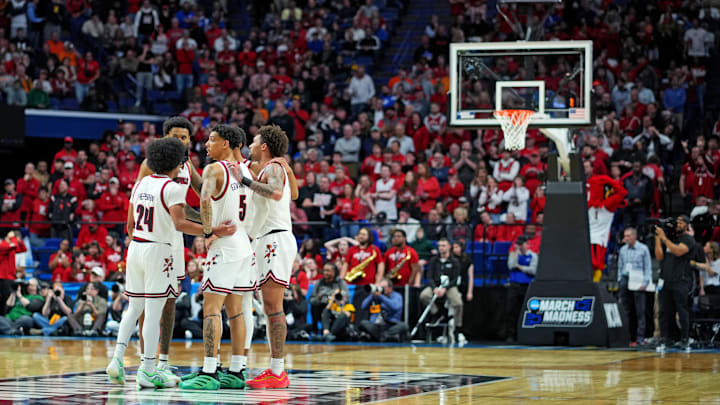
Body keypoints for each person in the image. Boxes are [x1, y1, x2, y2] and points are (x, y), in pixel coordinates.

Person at [105, 137, 234, 389]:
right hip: (158, 251)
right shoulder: (173, 188)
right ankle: (149, 370)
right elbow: (180, 224)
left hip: (136, 247)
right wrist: (212, 230)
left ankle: (117, 358)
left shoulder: (140, 183)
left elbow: (129, 225)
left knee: (133, 308)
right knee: (153, 313)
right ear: (178, 162)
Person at [179, 124, 254, 391]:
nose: (206, 145)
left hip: (224, 246)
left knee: (211, 310)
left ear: (226, 143)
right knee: (236, 313)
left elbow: (205, 200)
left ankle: (209, 371)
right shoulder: (246, 170)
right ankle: (235, 371)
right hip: (244, 244)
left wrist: (209, 231)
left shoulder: (215, 169)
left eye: (212, 140)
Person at [134, 117, 205, 383]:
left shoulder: (187, 165)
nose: (179, 140)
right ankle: (146, 360)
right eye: (175, 136)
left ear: (189, 141)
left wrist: (221, 199)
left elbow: (203, 191)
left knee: (171, 299)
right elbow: (136, 201)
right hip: (152, 237)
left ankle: (163, 360)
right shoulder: (149, 165)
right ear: (165, 139)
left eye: (184, 137)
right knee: (147, 302)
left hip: (176, 237)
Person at [235, 125, 297, 389]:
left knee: (273, 307)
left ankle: (278, 371)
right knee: (263, 305)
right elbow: (293, 193)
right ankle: (263, 367)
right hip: (265, 238)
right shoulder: (271, 167)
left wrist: (246, 181)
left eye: (254, 141)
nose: (250, 145)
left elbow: (278, 193)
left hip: (275, 237)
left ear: (264, 146)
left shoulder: (272, 167)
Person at [654, 215, 695, 347]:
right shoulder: (669, 239)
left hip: (680, 281)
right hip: (665, 280)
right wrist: (657, 238)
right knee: (664, 311)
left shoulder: (688, 239)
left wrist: (664, 238)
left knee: (681, 310)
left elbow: (678, 251)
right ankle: (666, 338)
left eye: (681, 222)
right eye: (677, 222)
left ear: (687, 226)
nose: (678, 224)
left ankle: (684, 338)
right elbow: (659, 256)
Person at [419, 238, 466, 344]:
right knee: (424, 295)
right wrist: (434, 288)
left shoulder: (454, 261)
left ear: (449, 247)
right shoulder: (433, 261)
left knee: (458, 303)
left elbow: (455, 279)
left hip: (449, 287)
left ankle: (457, 329)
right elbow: (429, 277)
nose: (441, 248)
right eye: (439, 245)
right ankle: (437, 313)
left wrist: (446, 288)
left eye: (443, 245)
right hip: (436, 286)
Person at [617, 227, 652, 345]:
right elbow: (620, 266)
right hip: (626, 280)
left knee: (640, 311)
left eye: (628, 236)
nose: (625, 238)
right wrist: (620, 280)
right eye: (625, 236)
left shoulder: (643, 249)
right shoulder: (622, 250)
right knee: (626, 310)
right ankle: (627, 337)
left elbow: (648, 267)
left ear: (634, 236)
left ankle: (640, 338)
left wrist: (645, 283)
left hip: (638, 281)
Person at [342, 227, 385, 323]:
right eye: (360, 234)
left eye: (364, 234)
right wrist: (342, 281)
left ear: (369, 237)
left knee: (364, 311)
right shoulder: (352, 249)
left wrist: (378, 282)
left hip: (367, 286)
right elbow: (345, 265)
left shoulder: (374, 250)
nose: (361, 236)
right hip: (351, 285)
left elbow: (380, 266)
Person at [504, 236, 538, 343]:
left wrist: (521, 267)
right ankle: (510, 334)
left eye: (522, 244)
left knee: (526, 310)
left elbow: (533, 270)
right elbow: (511, 265)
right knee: (511, 310)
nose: (520, 246)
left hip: (527, 286)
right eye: (518, 244)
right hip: (514, 285)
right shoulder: (513, 254)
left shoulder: (533, 256)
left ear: (527, 244)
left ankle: (525, 334)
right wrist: (516, 253)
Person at [308, 263, 349, 333]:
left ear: (334, 272)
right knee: (314, 306)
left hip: (335, 309)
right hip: (322, 307)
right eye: (324, 270)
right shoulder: (319, 282)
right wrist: (319, 297)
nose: (325, 273)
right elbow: (311, 300)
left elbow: (347, 299)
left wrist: (336, 297)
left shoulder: (340, 282)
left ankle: (330, 331)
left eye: (328, 271)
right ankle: (315, 331)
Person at [0, 231, 26, 315]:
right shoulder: (3, 245)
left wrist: (19, 241)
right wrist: (13, 238)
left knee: (9, 297)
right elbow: (14, 245)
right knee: (6, 298)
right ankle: (3, 315)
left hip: (10, 277)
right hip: (3, 277)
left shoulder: (10, 248)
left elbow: (23, 249)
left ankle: (5, 316)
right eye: (11, 238)